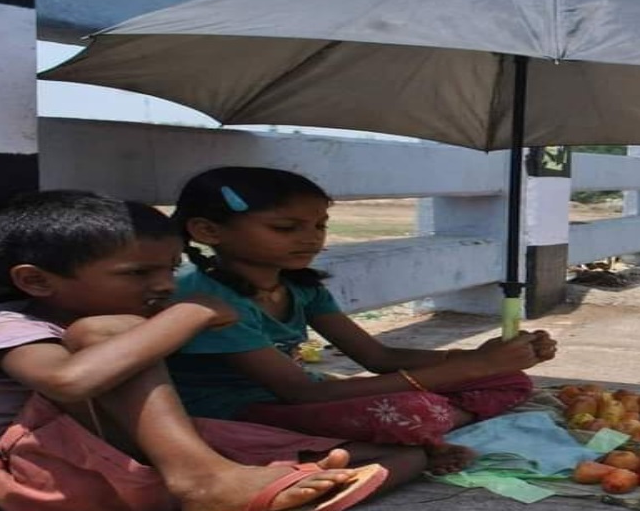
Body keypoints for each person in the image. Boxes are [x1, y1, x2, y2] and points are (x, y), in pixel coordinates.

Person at [0, 190, 424, 511]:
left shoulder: (147, 314)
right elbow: (71, 383)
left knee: (400, 456)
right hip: (41, 479)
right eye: (139, 272)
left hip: (130, 463)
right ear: (36, 281)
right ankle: (208, 484)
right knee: (109, 334)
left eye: (172, 269)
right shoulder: (10, 330)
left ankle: (240, 499)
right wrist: (188, 314)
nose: (165, 285)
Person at [168, 167, 558, 475]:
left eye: (319, 225)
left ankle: (417, 429)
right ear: (208, 231)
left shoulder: (298, 284)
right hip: (238, 410)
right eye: (285, 228)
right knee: (413, 411)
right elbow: (302, 394)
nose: (310, 238)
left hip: (304, 397)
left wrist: (482, 357)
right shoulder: (205, 297)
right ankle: (421, 426)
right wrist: (471, 367)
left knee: (509, 379)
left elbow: (378, 357)